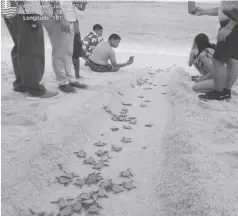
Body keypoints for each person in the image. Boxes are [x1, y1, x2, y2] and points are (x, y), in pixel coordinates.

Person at [3, 1, 58, 98]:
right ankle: (34, 89)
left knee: (20, 46)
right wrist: (30, 11)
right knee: (32, 48)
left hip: (11, 9)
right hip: (27, 9)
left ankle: (21, 84)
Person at [190, 1, 238, 100]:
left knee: (218, 61)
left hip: (232, 24)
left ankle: (219, 92)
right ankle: (225, 92)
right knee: (232, 60)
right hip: (232, 23)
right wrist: (204, 11)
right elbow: (222, 9)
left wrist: (229, 26)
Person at [43, 1, 87, 93]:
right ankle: (62, 82)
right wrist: (62, 17)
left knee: (68, 51)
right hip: (57, 17)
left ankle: (70, 79)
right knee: (59, 51)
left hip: (67, 17)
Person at [72, 1, 87, 79]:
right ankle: (77, 75)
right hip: (74, 33)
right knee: (75, 55)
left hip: (74, 32)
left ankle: (76, 74)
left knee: (75, 54)